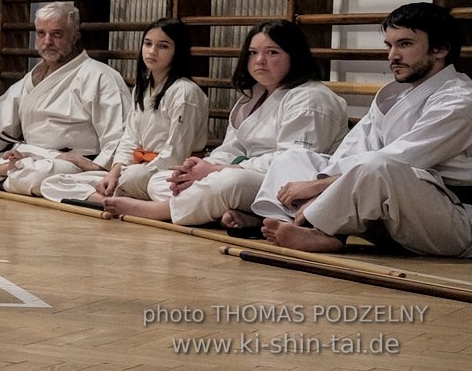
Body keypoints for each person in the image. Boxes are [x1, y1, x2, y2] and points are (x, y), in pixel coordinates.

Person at [257, 3, 472, 257]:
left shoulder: (461, 100)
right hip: (393, 218)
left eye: (405, 44)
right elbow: (354, 148)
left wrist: (320, 189)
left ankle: (324, 231)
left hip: (453, 220)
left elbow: (401, 159)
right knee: (294, 157)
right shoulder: (392, 96)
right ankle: (299, 220)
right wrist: (318, 185)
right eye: (389, 45)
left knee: (378, 167)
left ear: (441, 49)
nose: (392, 55)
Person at [103, 19, 347, 231]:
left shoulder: (311, 97)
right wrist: (204, 165)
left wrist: (220, 171)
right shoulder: (253, 96)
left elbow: (294, 164)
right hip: (243, 174)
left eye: (272, 53)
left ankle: (162, 210)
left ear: (294, 55)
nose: (260, 60)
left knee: (230, 184)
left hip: (289, 186)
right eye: (252, 53)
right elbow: (232, 147)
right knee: (164, 180)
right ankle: (242, 214)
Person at [0, 2, 129, 196]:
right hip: (27, 157)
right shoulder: (31, 79)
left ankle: (3, 174)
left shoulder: (100, 76)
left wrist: (96, 167)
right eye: (41, 33)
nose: (47, 42)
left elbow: (119, 135)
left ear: (75, 36)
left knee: (37, 174)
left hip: (70, 164)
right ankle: (7, 172)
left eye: (57, 34)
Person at [39, 17, 208, 205]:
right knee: (53, 183)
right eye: (148, 43)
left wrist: (133, 174)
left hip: (167, 174)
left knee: (147, 182)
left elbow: (176, 154)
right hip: (138, 170)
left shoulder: (185, 92)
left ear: (178, 51)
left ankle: (130, 201)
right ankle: (111, 200)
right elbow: (129, 140)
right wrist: (114, 172)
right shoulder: (142, 89)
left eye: (163, 46)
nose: (152, 51)